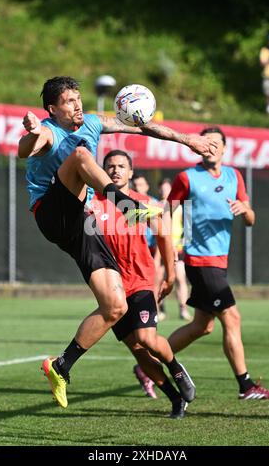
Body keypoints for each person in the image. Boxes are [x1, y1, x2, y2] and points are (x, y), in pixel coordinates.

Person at [18, 76, 217, 408]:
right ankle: (126, 205)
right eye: (69, 101)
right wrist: (32, 132)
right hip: (50, 213)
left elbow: (141, 127)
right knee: (81, 156)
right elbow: (28, 149)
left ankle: (61, 366)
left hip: (81, 222)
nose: (78, 104)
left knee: (115, 305)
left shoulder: (94, 122)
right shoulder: (49, 130)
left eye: (78, 98)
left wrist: (187, 140)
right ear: (53, 109)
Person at [166, 126, 269, 400]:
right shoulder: (187, 178)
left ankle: (148, 360)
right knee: (232, 317)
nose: (210, 146)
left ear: (225, 148)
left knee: (202, 326)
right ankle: (246, 385)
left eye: (216, 143)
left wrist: (246, 211)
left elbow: (251, 219)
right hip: (199, 259)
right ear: (197, 147)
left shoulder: (234, 176)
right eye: (205, 142)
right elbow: (167, 211)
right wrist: (170, 247)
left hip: (220, 261)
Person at [91, 150, 196, 418]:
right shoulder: (95, 205)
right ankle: (175, 399)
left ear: (130, 171)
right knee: (138, 351)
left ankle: (175, 367)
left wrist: (170, 276)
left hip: (141, 281)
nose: (115, 170)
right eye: (110, 166)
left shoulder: (139, 202)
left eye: (121, 166)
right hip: (113, 288)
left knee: (145, 338)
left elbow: (163, 234)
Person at [156, 178, 192, 322]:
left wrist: (180, 245)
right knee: (158, 279)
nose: (165, 191)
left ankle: (183, 309)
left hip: (177, 249)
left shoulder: (182, 207)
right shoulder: (156, 205)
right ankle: (158, 310)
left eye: (167, 188)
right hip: (160, 249)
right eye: (162, 189)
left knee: (180, 278)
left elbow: (188, 231)